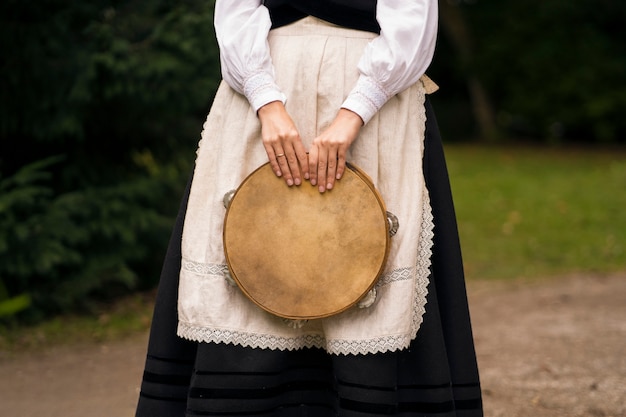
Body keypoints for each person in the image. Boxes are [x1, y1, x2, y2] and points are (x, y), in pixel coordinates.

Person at [136, 1, 483, 416]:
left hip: (375, 102)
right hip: (264, 95)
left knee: (372, 274)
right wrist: (266, 101)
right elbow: (235, 11)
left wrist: (353, 114)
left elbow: (413, 21)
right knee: (253, 262)